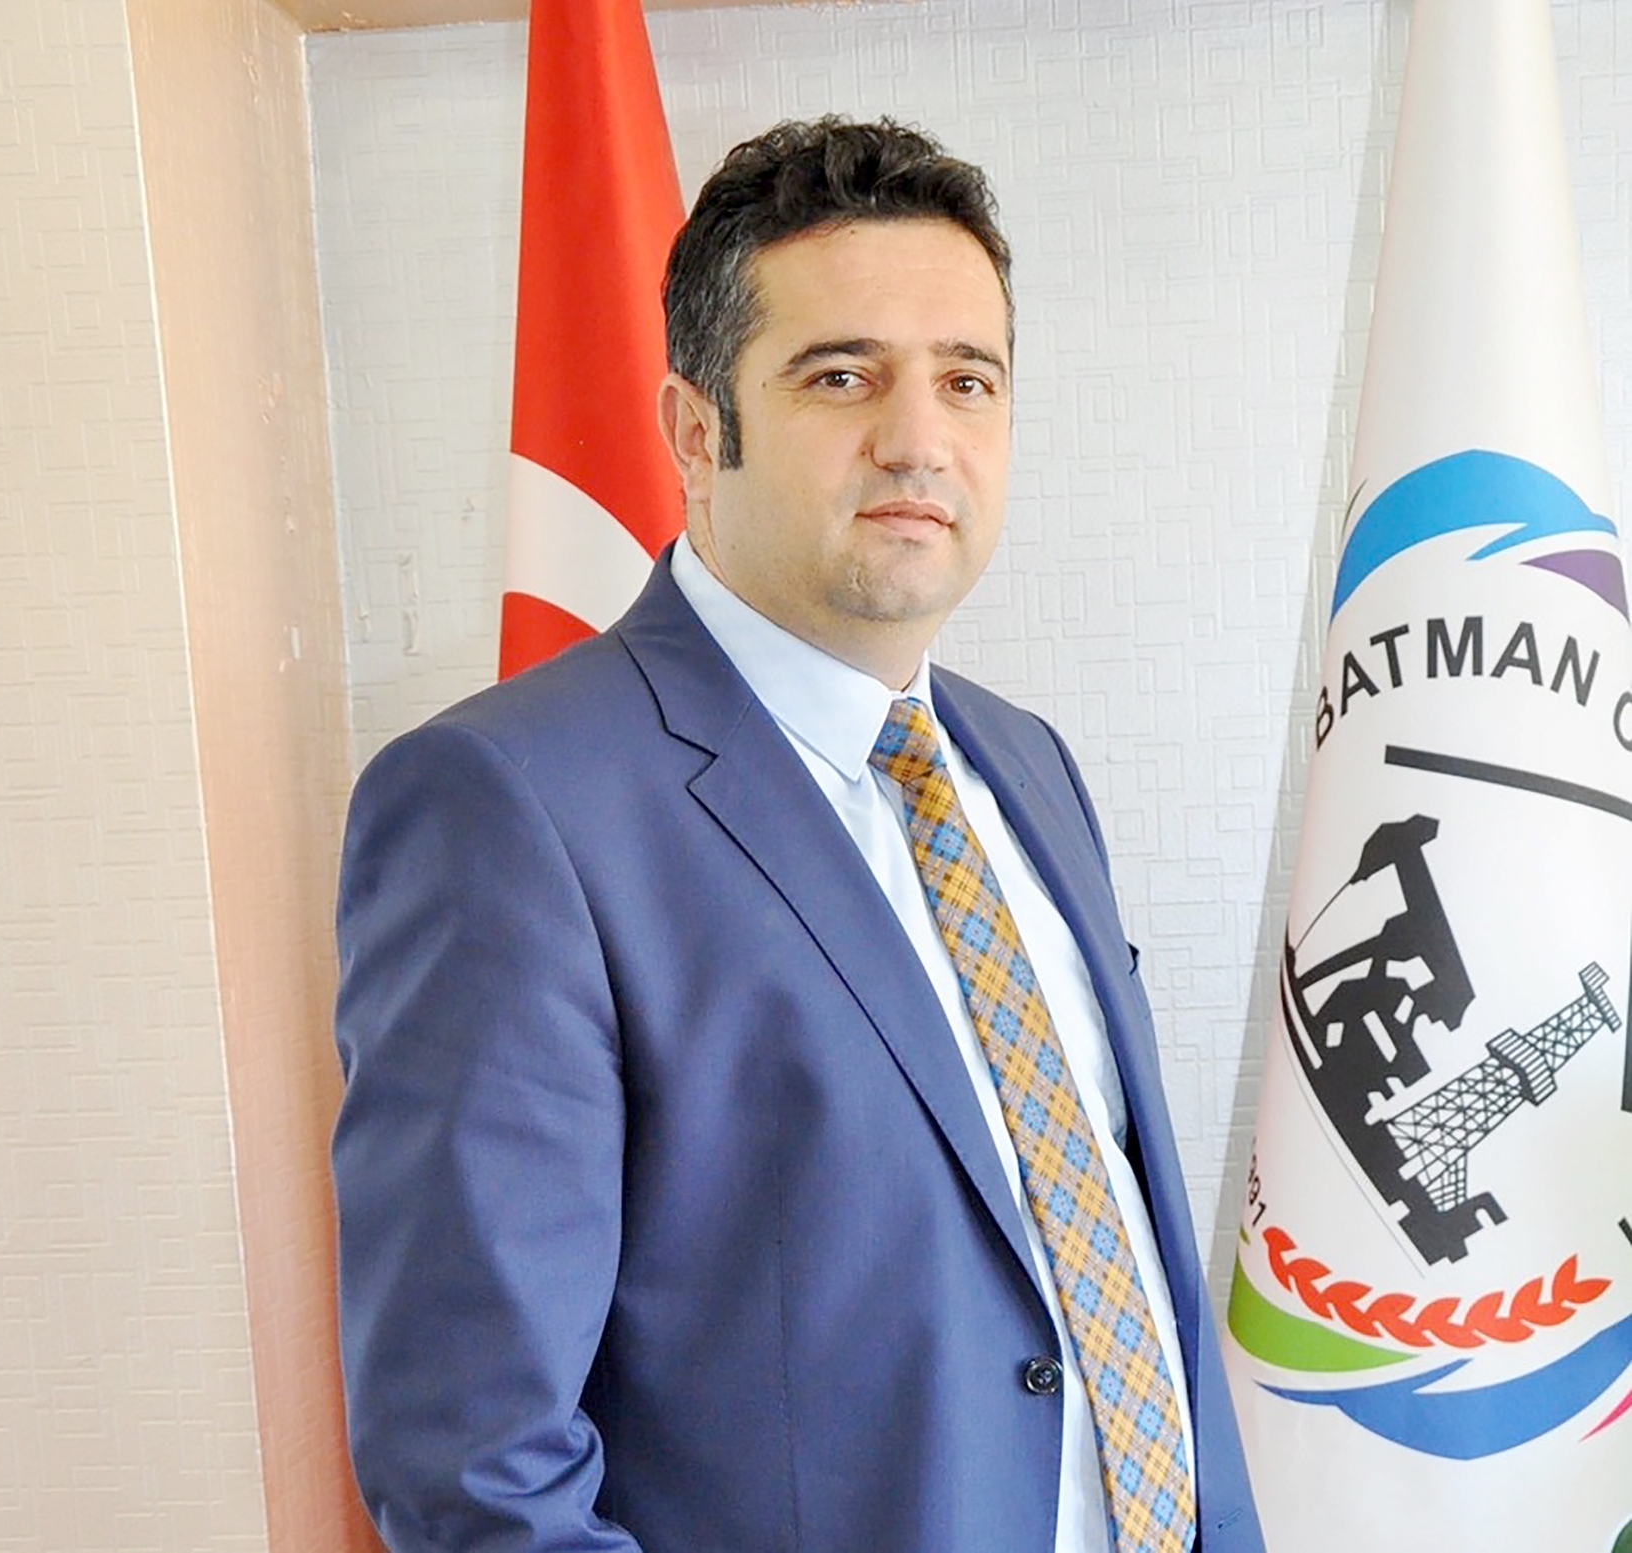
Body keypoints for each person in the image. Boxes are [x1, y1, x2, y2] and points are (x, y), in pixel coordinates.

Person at [333, 116, 1263, 1553]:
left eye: (967, 380)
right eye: (842, 376)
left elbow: (1105, 1268)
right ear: (696, 430)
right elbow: (473, 1464)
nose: (919, 439)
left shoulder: (1025, 765)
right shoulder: (504, 808)